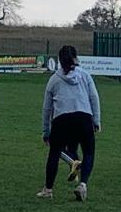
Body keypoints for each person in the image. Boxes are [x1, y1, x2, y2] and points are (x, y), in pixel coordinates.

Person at [38, 45, 101, 201]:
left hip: (62, 120)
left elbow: (46, 108)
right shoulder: (85, 76)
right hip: (84, 117)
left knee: (54, 153)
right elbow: (94, 97)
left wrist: (46, 131)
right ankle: (83, 185)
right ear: (75, 57)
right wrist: (96, 120)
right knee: (89, 153)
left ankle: (48, 189)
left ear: (59, 60)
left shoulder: (54, 80)